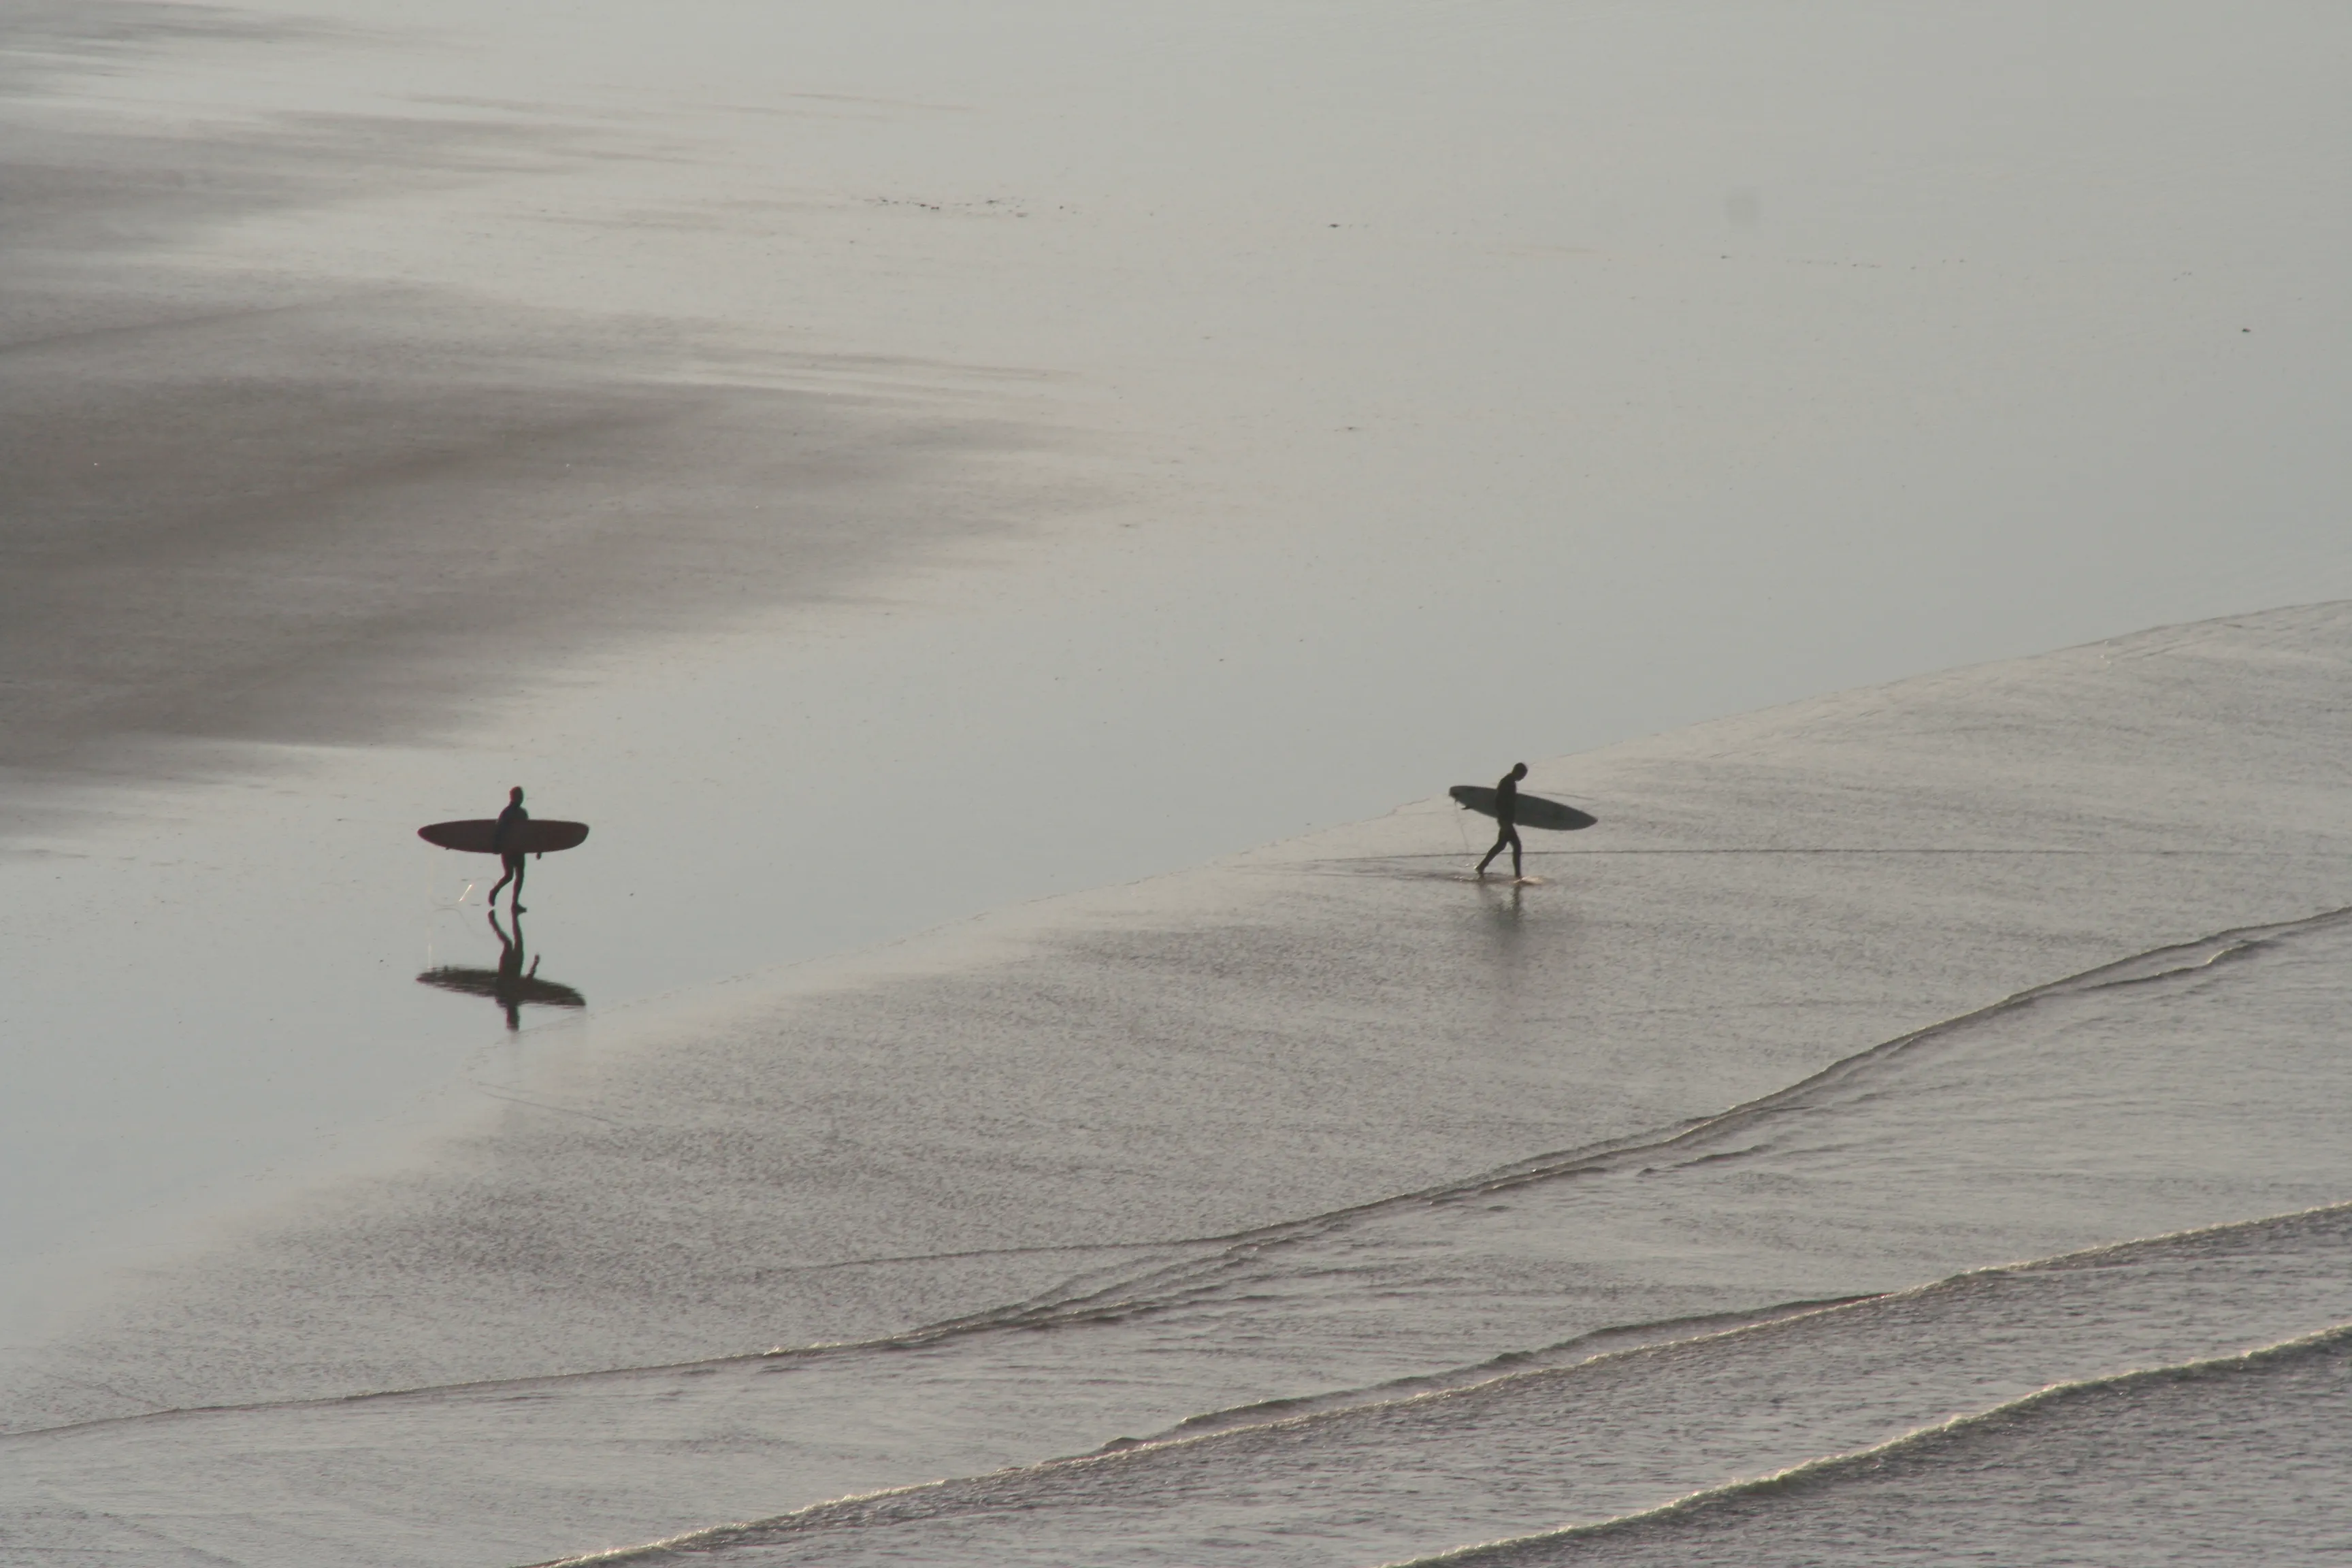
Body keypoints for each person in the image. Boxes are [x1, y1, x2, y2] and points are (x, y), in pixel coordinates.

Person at [1475, 762, 1529, 879]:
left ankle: (1481, 866)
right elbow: (1499, 800)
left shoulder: (1510, 782)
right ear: (1517, 772)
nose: (1523, 778)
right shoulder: (1507, 782)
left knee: (1501, 845)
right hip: (1505, 820)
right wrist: (1504, 820)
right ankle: (1518, 875)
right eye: (1523, 775)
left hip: (1506, 819)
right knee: (1517, 846)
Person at [486, 786, 530, 913]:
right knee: (509, 875)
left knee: (520, 876)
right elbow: (499, 830)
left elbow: (529, 832)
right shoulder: (507, 813)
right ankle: (495, 891)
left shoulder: (523, 813)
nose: (521, 799)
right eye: (519, 796)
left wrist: (538, 849)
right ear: (513, 797)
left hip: (519, 849)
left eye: (522, 796)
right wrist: (496, 846)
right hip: (508, 849)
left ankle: (515, 904)